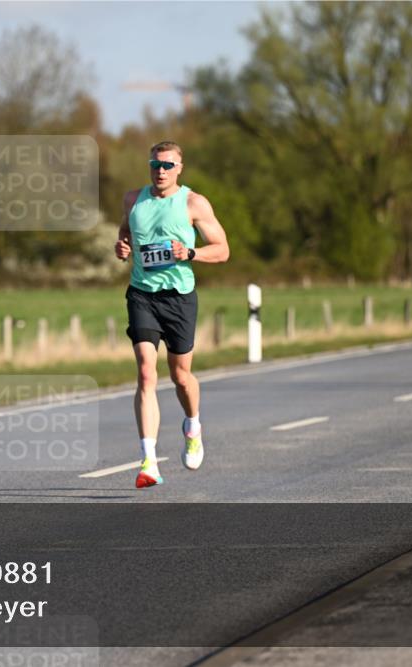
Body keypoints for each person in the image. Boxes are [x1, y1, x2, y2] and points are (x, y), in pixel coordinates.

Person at [114, 141, 229, 488]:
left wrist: (190, 252)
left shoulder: (194, 203)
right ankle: (149, 460)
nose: (160, 171)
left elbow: (222, 250)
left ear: (179, 168)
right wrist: (121, 246)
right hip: (142, 295)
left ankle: (192, 424)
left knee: (181, 377)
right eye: (155, 165)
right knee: (147, 374)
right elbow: (125, 232)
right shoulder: (134, 200)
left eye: (167, 165)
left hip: (179, 297)